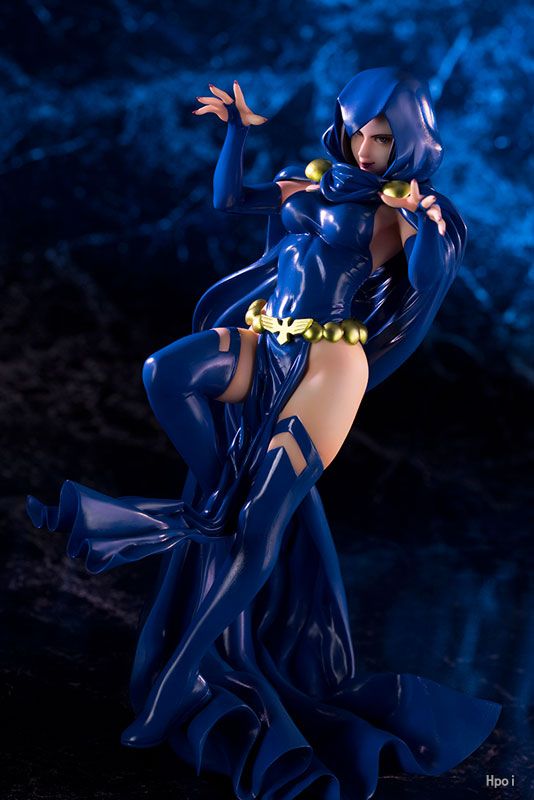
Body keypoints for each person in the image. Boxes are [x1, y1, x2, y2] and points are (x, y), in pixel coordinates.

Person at [28, 68, 501, 800]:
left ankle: (176, 679)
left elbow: (431, 275)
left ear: (408, 140)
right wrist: (235, 133)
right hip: (268, 339)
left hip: (329, 365)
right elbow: (229, 201)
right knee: (166, 373)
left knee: (257, 526)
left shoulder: (400, 207)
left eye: (384, 139)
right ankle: (216, 495)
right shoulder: (309, 180)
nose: (368, 150)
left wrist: (430, 221)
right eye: (360, 133)